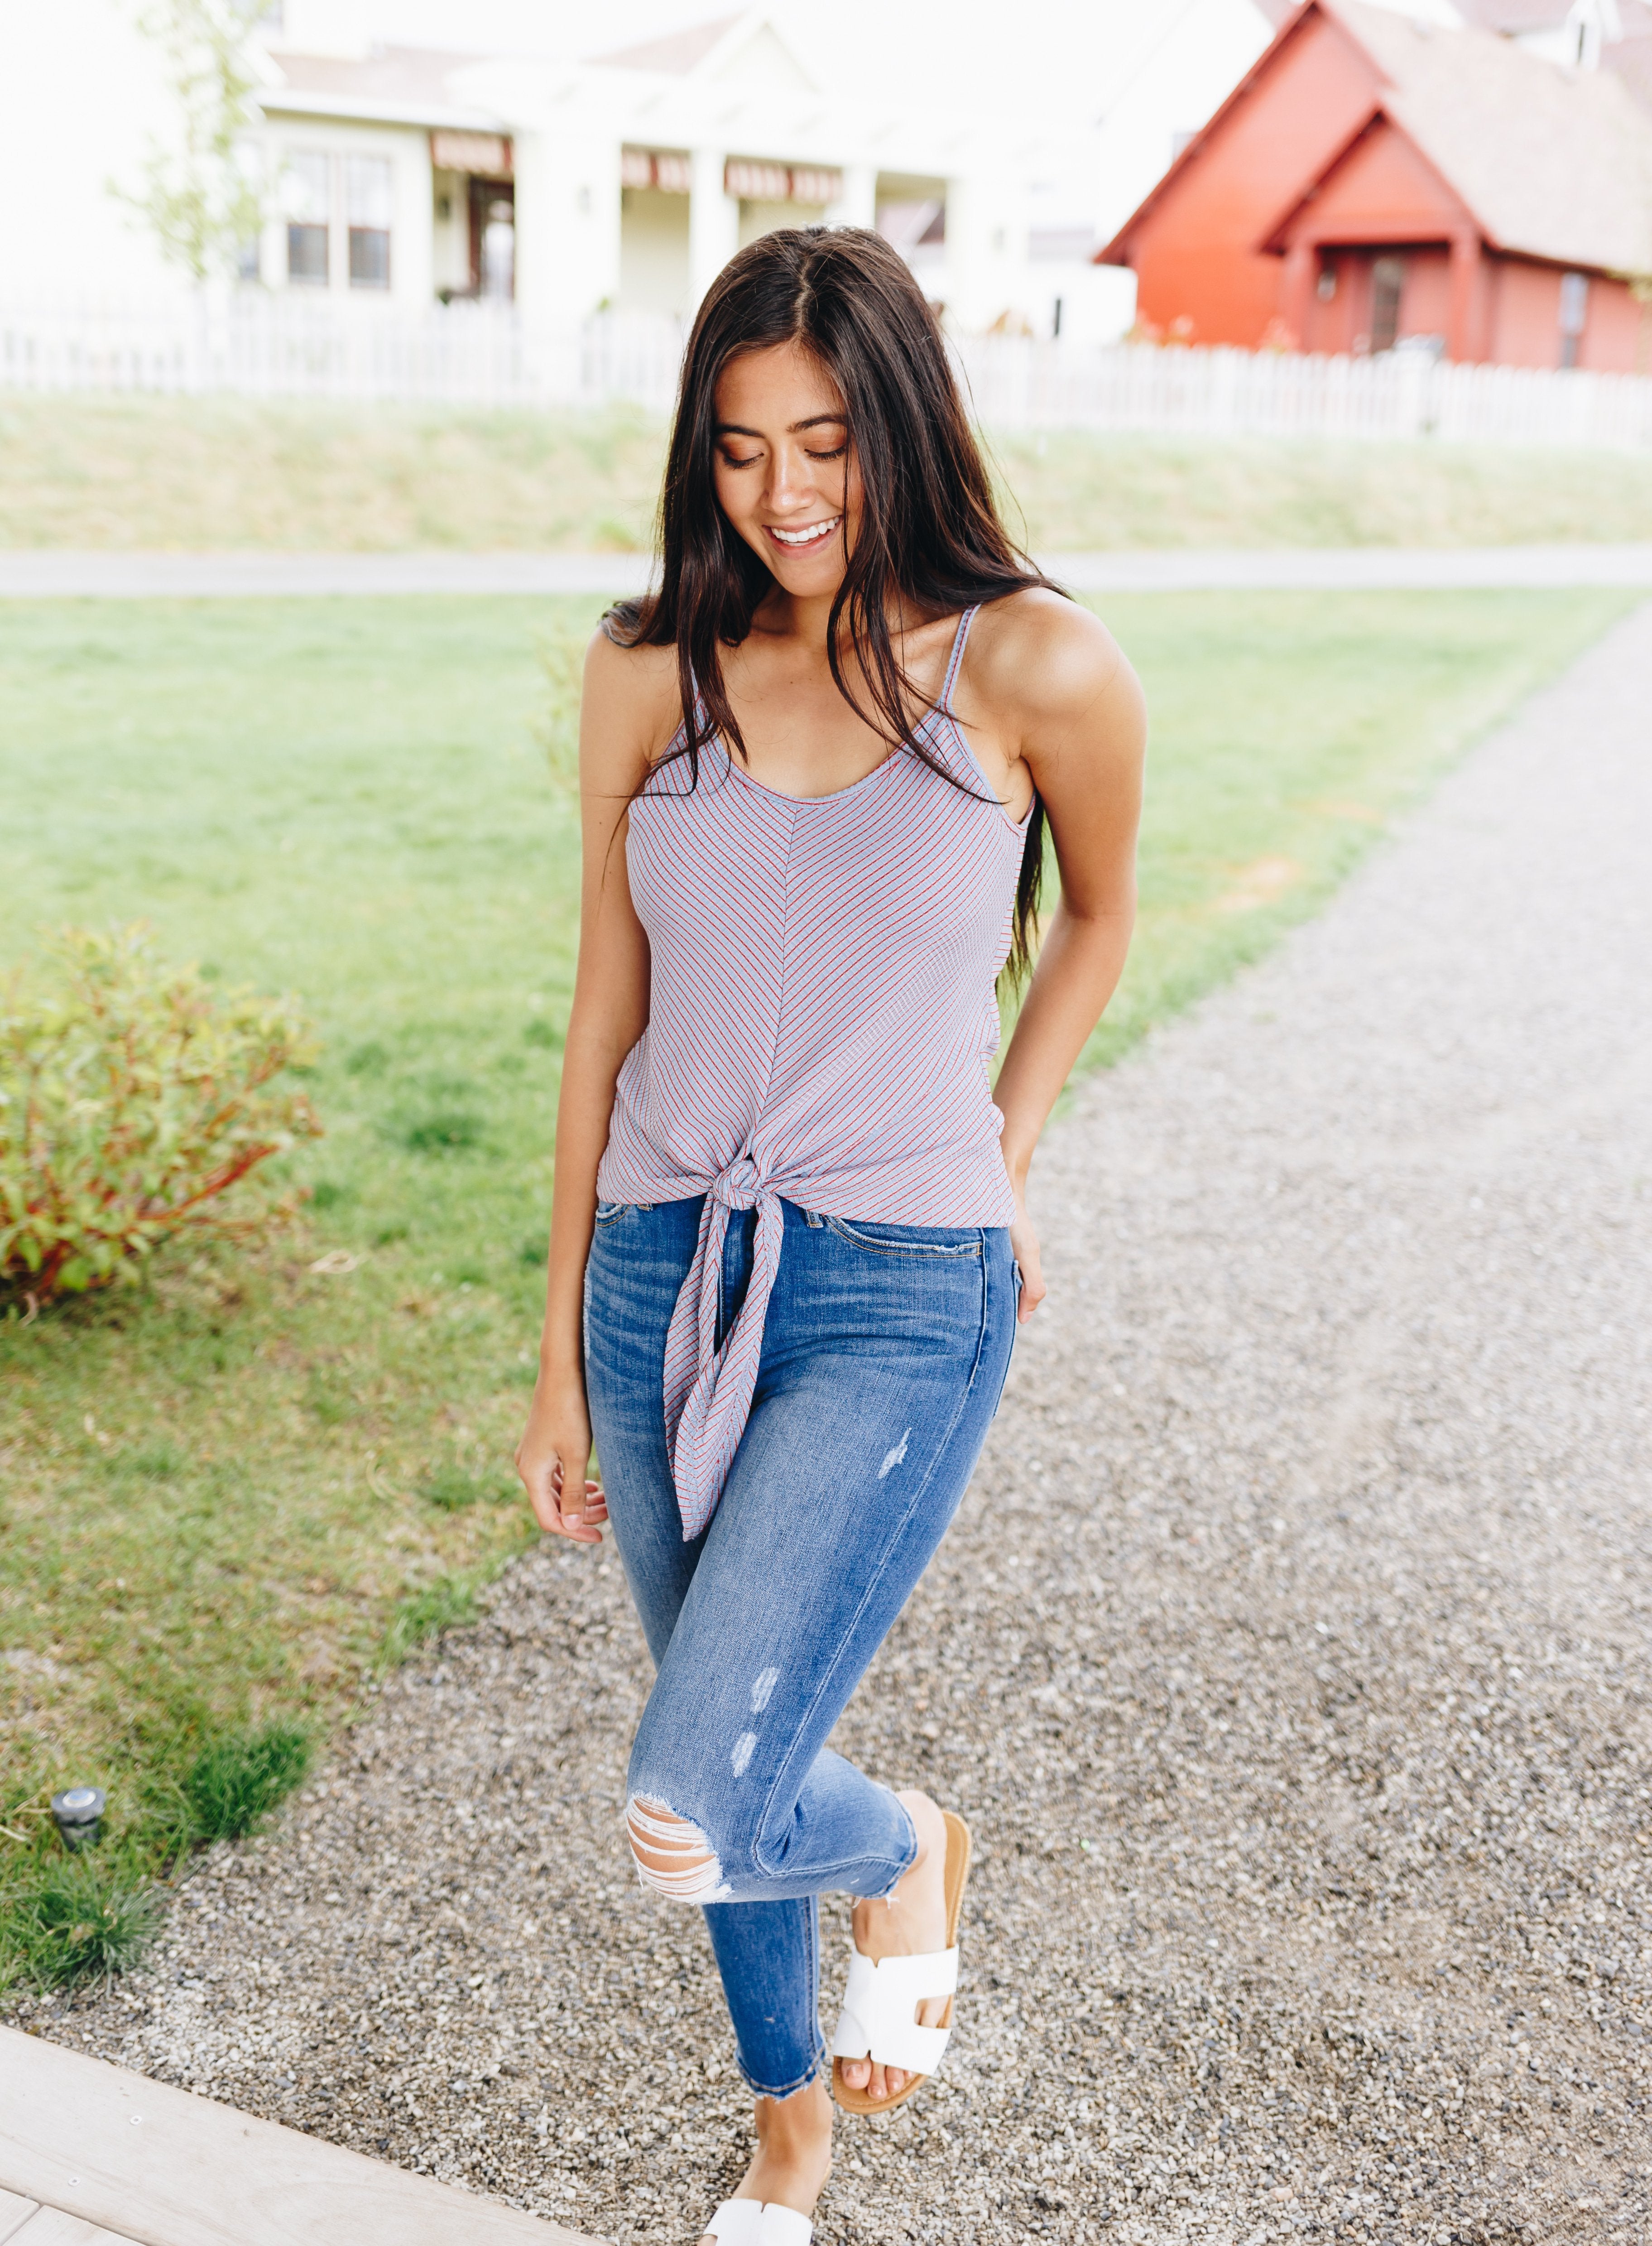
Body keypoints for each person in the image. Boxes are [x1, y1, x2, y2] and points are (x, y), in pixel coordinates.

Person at [515, 226, 1145, 2246]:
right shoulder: (648, 668)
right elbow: (603, 1011)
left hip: (894, 1292)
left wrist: (1007, 1147)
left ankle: (909, 1848)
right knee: (722, 1773)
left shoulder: (1033, 661)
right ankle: (789, 2136)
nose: (783, 494)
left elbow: (1107, 917)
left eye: (828, 443)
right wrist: (553, 1347)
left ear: (904, 427)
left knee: (703, 1792)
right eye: (737, 449)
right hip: (654, 1276)